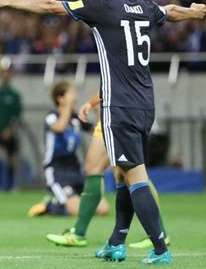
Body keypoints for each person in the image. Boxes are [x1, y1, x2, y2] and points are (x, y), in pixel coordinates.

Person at [0, 0, 206, 264]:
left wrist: (7, 1)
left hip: (119, 105)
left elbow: (50, 6)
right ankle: (117, 241)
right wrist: (192, 11)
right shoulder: (142, 6)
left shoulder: (101, 8)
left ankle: (161, 248)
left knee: (133, 175)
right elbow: (168, 10)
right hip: (146, 104)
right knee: (119, 171)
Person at [46, 91, 171, 249]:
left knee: (119, 172)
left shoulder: (114, 67)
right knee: (126, 174)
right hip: (124, 111)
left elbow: (112, 81)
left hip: (117, 113)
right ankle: (126, 239)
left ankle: (81, 233)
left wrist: (91, 103)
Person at [28, 81, 109, 217]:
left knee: (103, 209)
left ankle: (65, 202)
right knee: (78, 211)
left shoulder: (75, 118)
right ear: (60, 98)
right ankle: (50, 206)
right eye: (70, 93)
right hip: (57, 171)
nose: (75, 96)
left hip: (75, 169)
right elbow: (59, 127)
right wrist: (66, 107)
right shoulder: (52, 116)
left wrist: (98, 112)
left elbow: (97, 130)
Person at [0, 67, 22, 191]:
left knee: (10, 158)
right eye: (3, 73)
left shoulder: (14, 95)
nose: (5, 76)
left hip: (9, 131)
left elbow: (16, 115)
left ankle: (10, 185)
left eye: (7, 73)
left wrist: (10, 129)